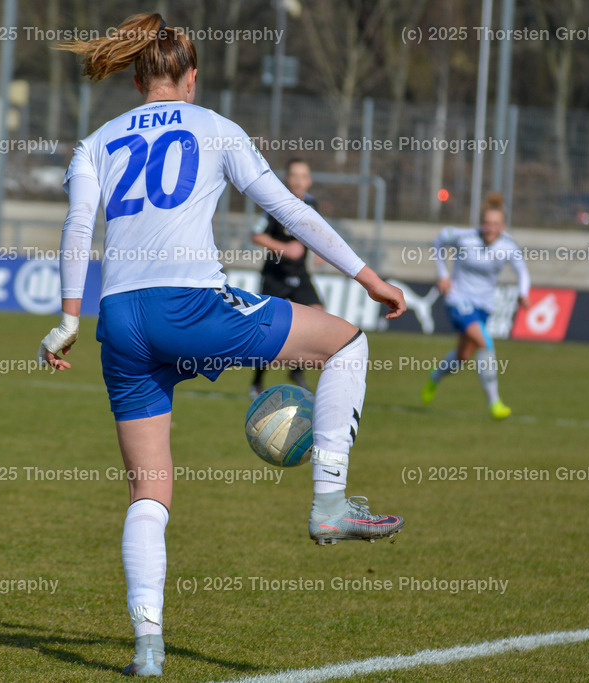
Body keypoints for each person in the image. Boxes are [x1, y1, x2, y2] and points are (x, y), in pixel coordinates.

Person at [43, 13, 406, 677]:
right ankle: (329, 500)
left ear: (132, 76)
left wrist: (68, 318)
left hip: (119, 323)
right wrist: (368, 275)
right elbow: (293, 212)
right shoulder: (215, 127)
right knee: (347, 342)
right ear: (191, 78)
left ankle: (148, 647)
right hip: (193, 308)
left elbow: (76, 229)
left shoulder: (94, 142)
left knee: (148, 495)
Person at [421, 192, 531, 419]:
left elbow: (522, 271)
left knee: (462, 357)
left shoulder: (508, 245)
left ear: (503, 226)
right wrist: (443, 275)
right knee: (485, 343)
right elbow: (439, 241)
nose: (490, 228)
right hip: (458, 299)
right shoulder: (464, 237)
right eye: (487, 223)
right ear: (481, 223)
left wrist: (523, 293)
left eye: (495, 224)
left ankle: (436, 376)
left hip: (484, 305)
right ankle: (495, 403)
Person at [249, 158, 324, 397]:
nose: (299, 181)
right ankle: (257, 380)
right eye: (295, 176)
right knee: (269, 328)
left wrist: (322, 251)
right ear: (287, 179)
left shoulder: (311, 203)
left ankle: (296, 370)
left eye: (304, 176)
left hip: (300, 274)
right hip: (276, 274)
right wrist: (284, 249)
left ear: (309, 180)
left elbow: (317, 232)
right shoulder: (274, 203)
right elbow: (256, 234)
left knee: (316, 313)